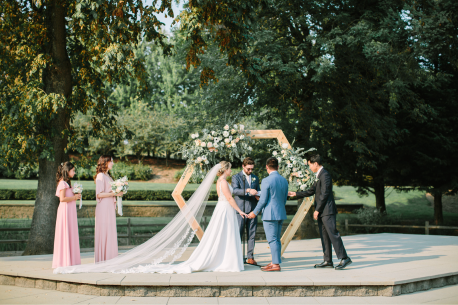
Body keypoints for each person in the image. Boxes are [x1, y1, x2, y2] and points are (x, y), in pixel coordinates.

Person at [54, 162, 248, 274]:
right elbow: (229, 197)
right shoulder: (223, 182)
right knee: (223, 236)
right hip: (226, 211)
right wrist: (239, 211)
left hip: (224, 211)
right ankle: (226, 261)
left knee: (222, 236)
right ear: (225, 170)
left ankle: (226, 260)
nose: (231, 171)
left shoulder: (221, 181)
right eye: (230, 169)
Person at [288, 154, 352, 270]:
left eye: (310, 165)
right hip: (323, 211)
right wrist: (296, 194)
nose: (309, 168)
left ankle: (344, 258)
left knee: (333, 234)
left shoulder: (325, 175)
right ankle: (327, 260)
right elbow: (311, 191)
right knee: (324, 236)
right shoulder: (319, 175)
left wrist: (317, 210)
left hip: (327, 210)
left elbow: (324, 194)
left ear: (315, 164)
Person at [247, 157, 288, 272]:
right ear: (278, 167)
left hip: (270, 215)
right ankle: (275, 261)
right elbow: (284, 199)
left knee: (272, 240)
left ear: (266, 167)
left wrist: (254, 212)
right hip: (280, 212)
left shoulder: (266, 180)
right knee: (277, 239)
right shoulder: (284, 180)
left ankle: (275, 265)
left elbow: (263, 200)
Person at [232, 157, 261, 265]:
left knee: (252, 234)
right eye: (248, 169)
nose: (250, 171)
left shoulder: (255, 178)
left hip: (253, 210)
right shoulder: (236, 177)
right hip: (240, 210)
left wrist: (258, 195)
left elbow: (257, 190)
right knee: (238, 234)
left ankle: (250, 257)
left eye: (252, 169)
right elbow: (235, 191)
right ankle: (236, 257)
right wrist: (248, 190)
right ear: (243, 166)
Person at [94, 155, 123, 263]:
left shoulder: (108, 176)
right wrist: (114, 193)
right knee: (104, 231)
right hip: (104, 207)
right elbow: (99, 195)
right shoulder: (100, 176)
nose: (113, 163)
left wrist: (119, 192)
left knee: (110, 231)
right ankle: (103, 259)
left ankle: (110, 258)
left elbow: (111, 191)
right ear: (105, 162)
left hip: (109, 207)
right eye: (111, 161)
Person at [52, 161, 81, 268]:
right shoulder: (62, 183)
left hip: (70, 210)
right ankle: (64, 261)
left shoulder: (68, 183)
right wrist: (75, 197)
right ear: (67, 171)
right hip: (65, 211)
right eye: (73, 170)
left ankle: (71, 259)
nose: (74, 172)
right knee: (65, 232)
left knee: (71, 232)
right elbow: (62, 199)